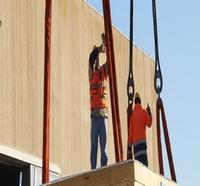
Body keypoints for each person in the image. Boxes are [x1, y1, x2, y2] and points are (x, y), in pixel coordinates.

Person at [88, 33, 108, 169]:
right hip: (95, 116)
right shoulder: (91, 74)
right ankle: (94, 169)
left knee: (104, 147)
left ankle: (104, 168)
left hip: (103, 115)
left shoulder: (102, 73)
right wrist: (99, 49)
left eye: (97, 60)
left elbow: (111, 62)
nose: (95, 62)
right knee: (94, 146)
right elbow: (91, 58)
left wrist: (107, 45)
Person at [128, 92, 152, 166]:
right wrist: (149, 113)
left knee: (138, 166)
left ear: (135, 103)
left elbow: (130, 134)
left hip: (135, 146)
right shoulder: (144, 113)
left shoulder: (132, 116)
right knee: (144, 165)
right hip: (142, 144)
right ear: (140, 102)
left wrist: (129, 148)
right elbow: (149, 124)